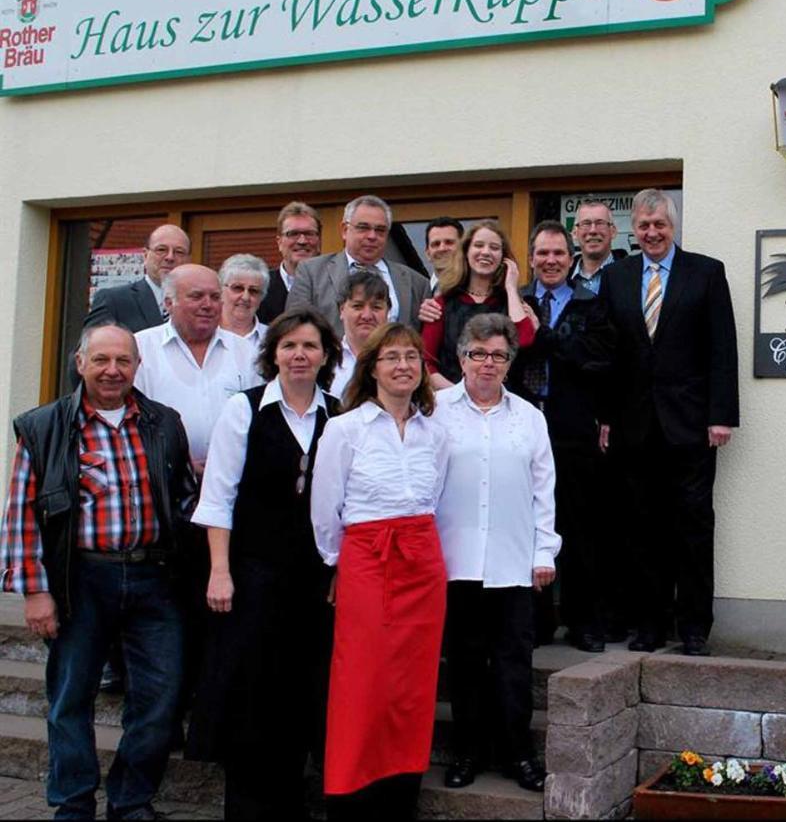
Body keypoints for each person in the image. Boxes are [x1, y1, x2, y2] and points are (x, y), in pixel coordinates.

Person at [0, 324, 197, 820]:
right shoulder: (42, 427)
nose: (113, 371)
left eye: (123, 361)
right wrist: (35, 591)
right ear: (80, 362)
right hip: (79, 581)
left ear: (136, 365)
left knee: (159, 698)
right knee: (70, 699)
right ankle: (73, 802)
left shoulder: (163, 422)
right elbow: (22, 513)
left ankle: (131, 800)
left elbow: (183, 500)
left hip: (155, 580)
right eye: (102, 360)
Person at [185, 309, 341, 819]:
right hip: (252, 576)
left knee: (300, 694)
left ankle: (290, 805)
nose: (300, 355)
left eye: (310, 346)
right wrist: (220, 570)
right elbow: (218, 495)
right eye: (289, 345)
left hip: (313, 583)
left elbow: (346, 504)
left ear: (325, 356)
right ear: (273, 353)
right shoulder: (245, 409)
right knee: (252, 694)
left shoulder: (338, 414)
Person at [311, 323, 448, 819]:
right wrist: (336, 564)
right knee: (362, 680)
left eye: (412, 357)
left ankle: (400, 789)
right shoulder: (344, 429)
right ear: (371, 369)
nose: (403, 366)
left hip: (423, 560)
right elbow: (326, 508)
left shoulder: (436, 432)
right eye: (391, 357)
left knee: (411, 684)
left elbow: (437, 497)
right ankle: (352, 794)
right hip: (367, 556)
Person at [598, 188, 739, 657]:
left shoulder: (706, 272)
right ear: (632, 230)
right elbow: (608, 354)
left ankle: (694, 627)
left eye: (659, 225)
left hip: (693, 426)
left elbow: (723, 348)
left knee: (693, 528)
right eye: (643, 226)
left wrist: (721, 416)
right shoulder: (616, 278)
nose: (652, 233)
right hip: (634, 426)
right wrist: (605, 417)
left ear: (672, 227)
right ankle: (650, 626)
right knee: (643, 530)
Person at [436, 313, 558, 793]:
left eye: (499, 355)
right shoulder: (435, 410)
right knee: (464, 664)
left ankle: (517, 754)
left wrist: (544, 552)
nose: (488, 364)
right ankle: (466, 752)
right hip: (454, 560)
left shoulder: (530, 418)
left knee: (512, 664)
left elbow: (544, 490)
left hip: (513, 561)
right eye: (479, 354)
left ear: (510, 362)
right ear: (462, 357)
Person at [510, 221, 615, 652]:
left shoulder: (591, 304)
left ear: (570, 258)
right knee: (528, 526)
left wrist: (546, 335)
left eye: (558, 253)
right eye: (542, 253)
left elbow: (596, 361)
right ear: (531, 259)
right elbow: (515, 355)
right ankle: (536, 622)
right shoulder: (517, 304)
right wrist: (521, 311)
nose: (550, 261)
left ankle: (582, 622)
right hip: (522, 426)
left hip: (573, 427)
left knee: (578, 528)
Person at [134, 265, 263, 474]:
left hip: (234, 480)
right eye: (196, 296)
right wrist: (177, 463)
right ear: (168, 303)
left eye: (214, 297)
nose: (208, 305)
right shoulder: (140, 348)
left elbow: (261, 419)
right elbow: (130, 419)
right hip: (162, 481)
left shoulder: (246, 352)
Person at [286, 194, 431, 336]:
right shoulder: (311, 273)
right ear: (344, 230)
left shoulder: (416, 283)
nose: (372, 236)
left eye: (380, 230)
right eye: (363, 227)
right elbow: (295, 330)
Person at [420, 220, 535, 389]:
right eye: (479, 245)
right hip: (451, 403)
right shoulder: (443, 303)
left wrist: (511, 287)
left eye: (494, 248)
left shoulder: (512, 303)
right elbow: (425, 361)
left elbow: (524, 340)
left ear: (504, 258)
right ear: (466, 251)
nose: (486, 252)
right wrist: (459, 396)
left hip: (501, 404)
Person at [83, 224, 190, 333]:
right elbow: (89, 347)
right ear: (145, 255)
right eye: (161, 250)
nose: (170, 257)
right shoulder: (114, 301)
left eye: (179, 252)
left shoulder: (199, 303)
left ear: (188, 260)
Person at [329, 270, 391, 400]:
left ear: (388, 312)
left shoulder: (403, 361)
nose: (367, 316)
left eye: (376, 307)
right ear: (342, 310)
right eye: (358, 306)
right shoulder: (326, 360)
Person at [258, 202, 322, 324]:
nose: (302, 241)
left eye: (309, 233)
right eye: (293, 234)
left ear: (319, 241)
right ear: (279, 242)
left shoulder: (335, 284)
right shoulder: (261, 286)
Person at [218, 254, 269, 348]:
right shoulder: (205, 334)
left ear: (262, 297)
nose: (245, 297)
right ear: (220, 290)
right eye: (238, 288)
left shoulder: (273, 338)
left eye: (254, 291)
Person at [569, 198, 617, 294]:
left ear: (613, 232)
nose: (593, 231)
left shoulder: (631, 275)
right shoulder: (562, 278)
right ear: (574, 233)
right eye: (586, 224)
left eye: (600, 223)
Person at [424, 217, 463, 293]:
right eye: (436, 244)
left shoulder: (478, 291)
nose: (442, 248)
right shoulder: (417, 293)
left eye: (449, 242)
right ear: (428, 254)